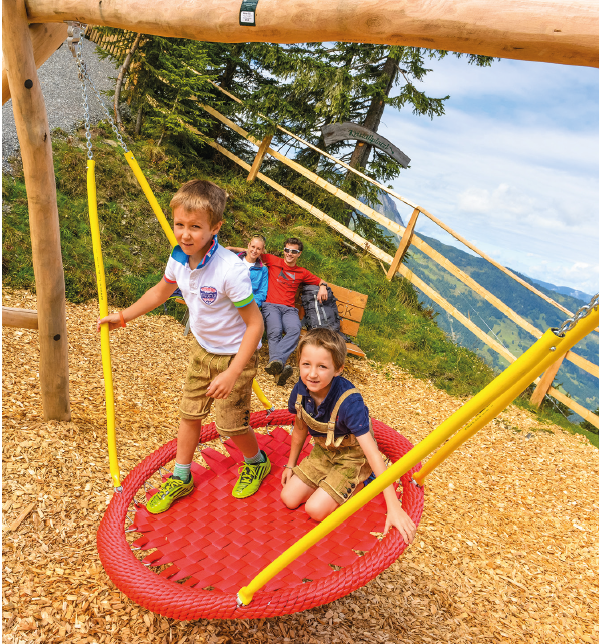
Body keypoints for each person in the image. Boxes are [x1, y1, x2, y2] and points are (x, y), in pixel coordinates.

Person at [97, 180, 271, 513]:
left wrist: (234, 372)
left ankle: (256, 460)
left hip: (235, 355)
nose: (185, 234)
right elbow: (160, 292)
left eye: (195, 227)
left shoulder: (230, 270)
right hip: (202, 351)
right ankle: (182, 476)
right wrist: (123, 316)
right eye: (180, 225)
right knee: (189, 415)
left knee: (230, 424)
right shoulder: (179, 258)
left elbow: (256, 324)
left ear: (215, 227)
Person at [280, 328, 416, 544]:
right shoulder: (301, 389)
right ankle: (329, 485)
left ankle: (361, 482)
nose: (312, 374)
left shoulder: (349, 403)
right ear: (299, 362)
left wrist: (394, 507)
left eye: (322, 367)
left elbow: (372, 452)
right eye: (306, 364)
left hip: (351, 458)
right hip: (324, 452)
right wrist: (290, 464)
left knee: (314, 510)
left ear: (338, 369)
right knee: (288, 497)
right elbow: (299, 428)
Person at [259, 237, 329, 386]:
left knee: (294, 329)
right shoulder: (272, 260)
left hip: (289, 309)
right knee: (275, 330)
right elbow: (252, 253)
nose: (289, 254)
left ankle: (276, 363)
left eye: (294, 251)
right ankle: (278, 367)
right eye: (287, 250)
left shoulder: (301, 272)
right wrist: (231, 248)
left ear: (299, 254)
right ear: (283, 250)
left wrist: (323, 287)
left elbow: (321, 281)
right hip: (271, 305)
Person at [231, 235, 269, 309]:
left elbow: (262, 293)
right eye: (253, 247)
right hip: (229, 301)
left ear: (262, 250)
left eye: (258, 249)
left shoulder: (263, 270)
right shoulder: (234, 260)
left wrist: (249, 304)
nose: (254, 251)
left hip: (248, 306)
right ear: (248, 245)